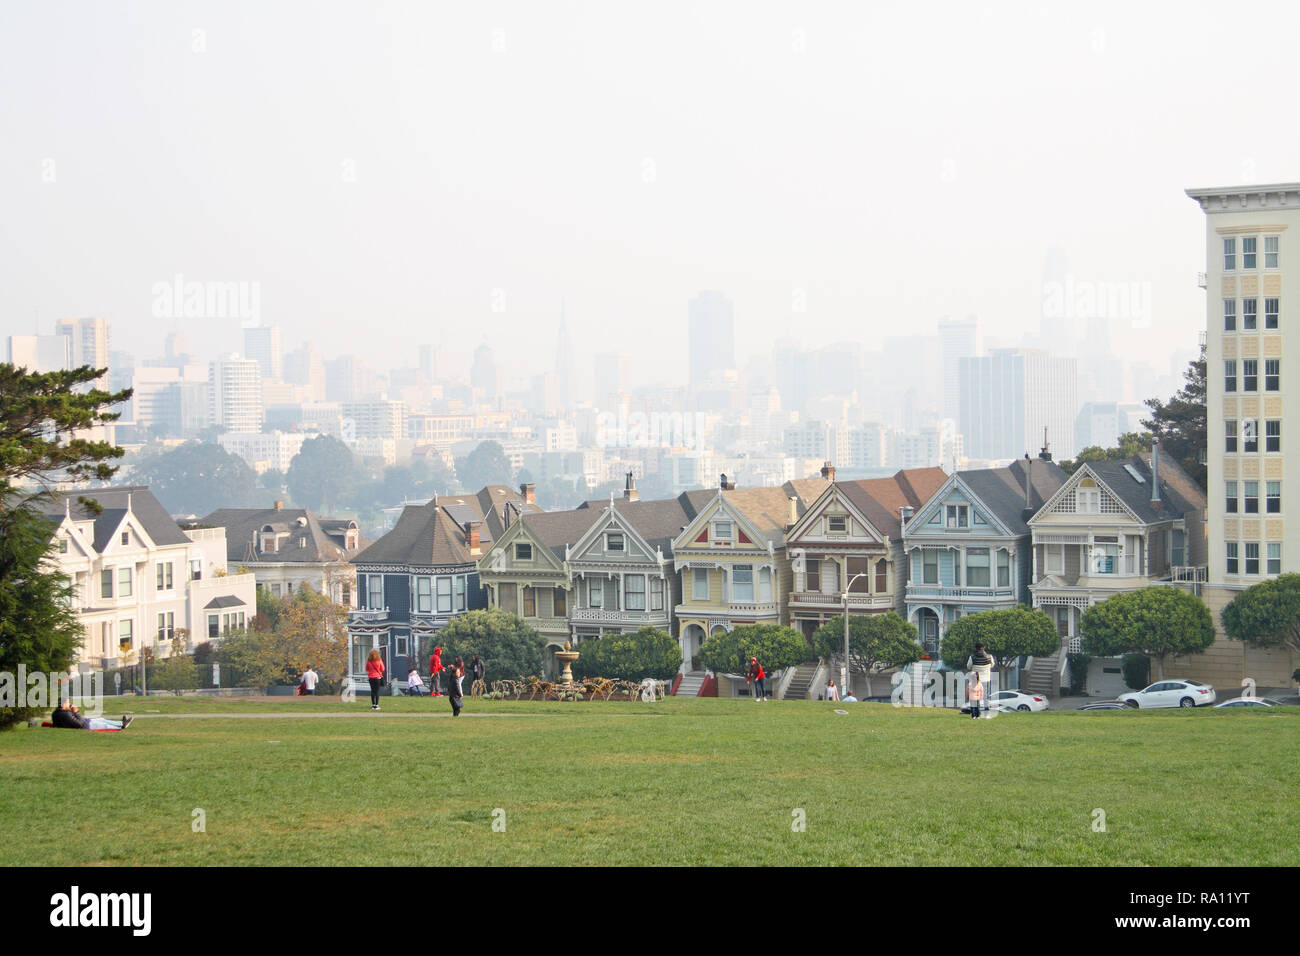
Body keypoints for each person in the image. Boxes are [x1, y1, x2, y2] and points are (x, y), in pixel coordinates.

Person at [51, 699, 133, 731]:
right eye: (68, 703)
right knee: (104, 725)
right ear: (63, 705)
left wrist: (73, 712)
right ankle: (121, 726)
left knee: (101, 719)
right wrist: (76, 712)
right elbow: (79, 723)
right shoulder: (65, 714)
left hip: (85, 721)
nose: (69, 704)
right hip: (86, 725)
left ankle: (121, 723)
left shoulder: (56, 713)